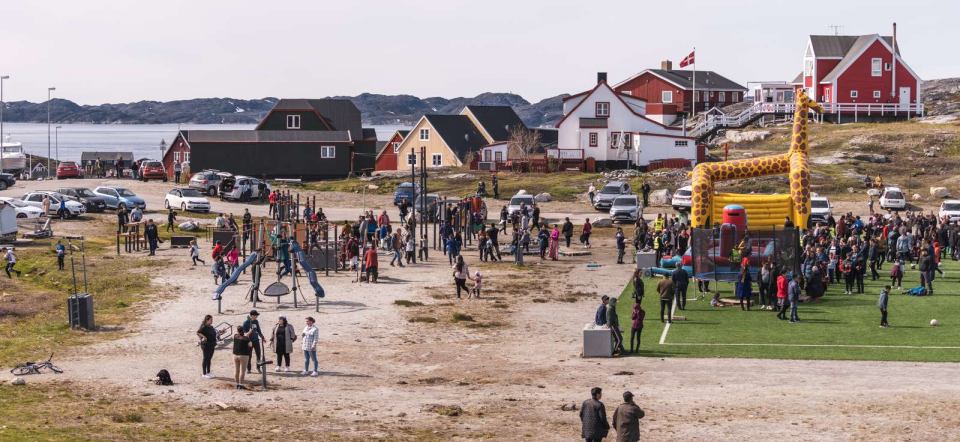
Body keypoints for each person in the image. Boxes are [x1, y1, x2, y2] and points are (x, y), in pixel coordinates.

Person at [197, 315, 217, 379]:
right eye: (211, 320)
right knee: (205, 358)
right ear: (207, 320)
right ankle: (204, 373)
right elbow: (198, 333)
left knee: (209, 359)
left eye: (212, 320)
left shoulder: (211, 327)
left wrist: (220, 332)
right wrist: (204, 337)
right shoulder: (203, 327)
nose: (212, 321)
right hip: (206, 345)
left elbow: (213, 333)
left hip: (212, 345)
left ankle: (208, 372)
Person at [233, 324, 253, 389]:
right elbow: (250, 345)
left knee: (236, 370)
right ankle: (241, 384)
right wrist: (249, 333)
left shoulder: (235, 336)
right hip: (243, 355)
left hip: (235, 355)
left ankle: (237, 383)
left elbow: (243, 336)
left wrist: (249, 332)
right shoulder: (246, 338)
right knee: (242, 371)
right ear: (243, 330)